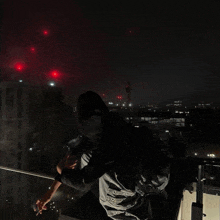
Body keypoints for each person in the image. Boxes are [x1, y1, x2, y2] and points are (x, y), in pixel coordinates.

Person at [35, 91, 170, 219]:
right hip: (144, 182)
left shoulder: (109, 139)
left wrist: (61, 171)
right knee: (86, 157)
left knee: (113, 209)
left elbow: (83, 182)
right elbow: (72, 161)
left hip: (134, 190)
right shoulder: (106, 127)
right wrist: (50, 193)